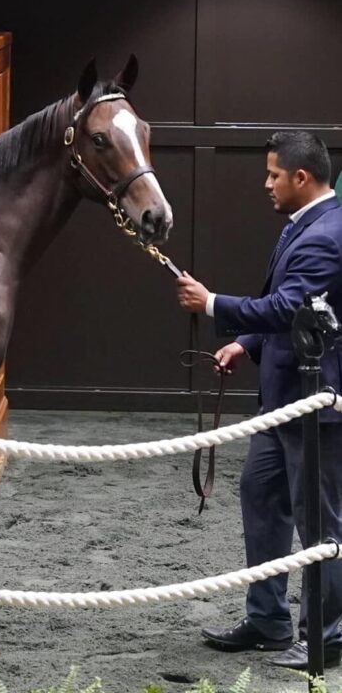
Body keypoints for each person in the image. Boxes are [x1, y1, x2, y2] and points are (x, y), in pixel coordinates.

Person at [175, 130, 342, 672]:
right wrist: (244, 342)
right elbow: (292, 306)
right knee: (261, 496)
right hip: (283, 401)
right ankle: (268, 620)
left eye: (273, 175)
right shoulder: (307, 226)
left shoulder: (326, 236)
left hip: (312, 405)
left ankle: (330, 635)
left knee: (320, 525)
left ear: (301, 177)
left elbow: (290, 307)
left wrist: (212, 304)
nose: (265, 184)